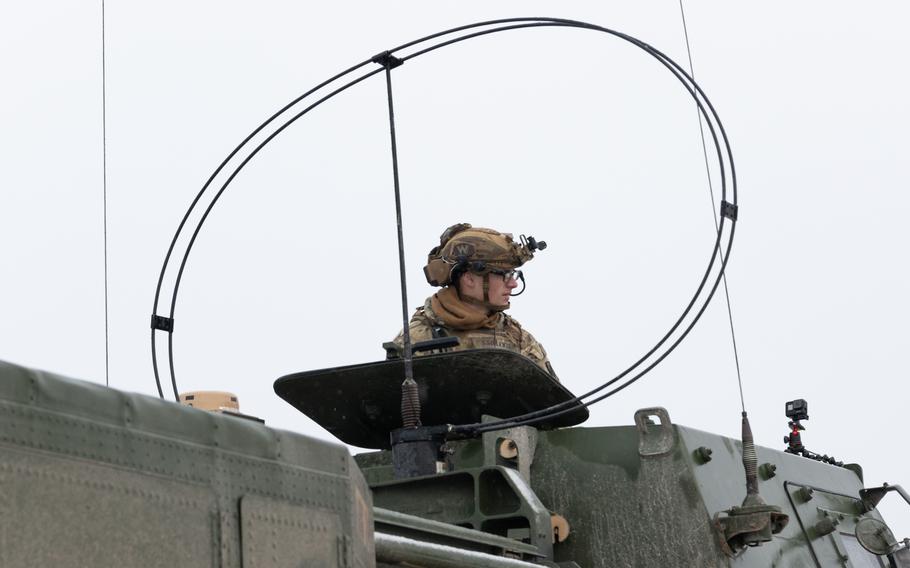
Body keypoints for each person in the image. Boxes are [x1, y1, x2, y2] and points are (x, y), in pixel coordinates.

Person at [387, 223, 557, 379]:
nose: (513, 284)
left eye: (513, 274)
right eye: (504, 275)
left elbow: (557, 406)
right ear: (469, 279)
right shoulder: (418, 339)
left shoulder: (519, 340)